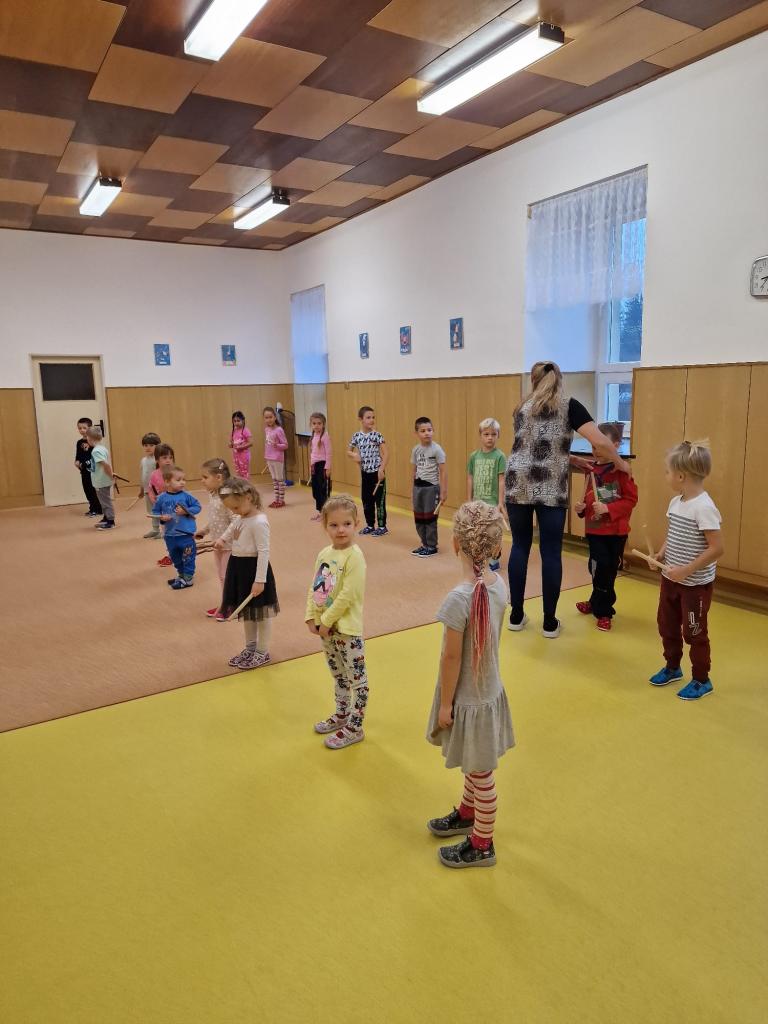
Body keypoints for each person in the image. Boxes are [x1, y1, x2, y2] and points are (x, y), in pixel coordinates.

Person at [505, 361, 631, 638]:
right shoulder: (569, 405)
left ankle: (516, 615)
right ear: (559, 380)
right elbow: (602, 442)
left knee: (520, 547)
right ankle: (549, 623)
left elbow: (531, 447)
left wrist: (570, 458)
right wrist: (621, 464)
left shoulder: (522, 407)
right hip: (550, 486)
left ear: (534, 380)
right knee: (551, 552)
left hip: (517, 483)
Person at [426, 502, 514, 869]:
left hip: (466, 696)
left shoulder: (458, 599)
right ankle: (467, 812)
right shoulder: (499, 586)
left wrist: (446, 704)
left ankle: (482, 843)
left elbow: (451, 658)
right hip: (487, 690)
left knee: (481, 773)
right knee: (473, 762)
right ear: (496, 548)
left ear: (455, 544)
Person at [648, 440, 723, 700]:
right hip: (670, 579)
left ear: (681, 476)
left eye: (667, 472)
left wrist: (687, 570)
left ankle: (702, 679)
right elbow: (674, 535)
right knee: (667, 625)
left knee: (694, 632)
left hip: (695, 586)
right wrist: (660, 554)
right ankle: (673, 667)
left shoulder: (704, 507)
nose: (666, 476)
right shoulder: (676, 502)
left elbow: (717, 548)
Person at [305, 495, 368, 750]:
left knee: (357, 680)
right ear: (325, 526)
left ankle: (355, 726)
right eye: (334, 525)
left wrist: (326, 620)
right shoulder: (325, 553)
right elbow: (316, 587)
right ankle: (342, 715)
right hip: (326, 629)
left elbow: (347, 595)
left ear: (356, 524)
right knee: (338, 675)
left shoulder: (355, 557)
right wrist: (311, 616)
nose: (341, 530)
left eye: (346, 524)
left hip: (347, 630)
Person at [574, 422, 638, 631]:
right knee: (597, 568)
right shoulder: (590, 470)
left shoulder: (622, 471)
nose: (596, 451)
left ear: (615, 445)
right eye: (593, 446)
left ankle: (603, 609)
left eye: (601, 446)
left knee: (607, 570)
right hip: (595, 531)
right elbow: (589, 499)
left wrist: (608, 509)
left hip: (616, 532)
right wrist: (582, 509)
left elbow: (631, 500)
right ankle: (599, 605)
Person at [216, 477, 279, 670]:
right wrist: (222, 539)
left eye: (236, 507)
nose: (234, 512)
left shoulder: (259, 522)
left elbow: (264, 552)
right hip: (239, 567)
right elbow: (232, 528)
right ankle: (250, 647)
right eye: (231, 509)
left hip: (254, 569)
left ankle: (262, 651)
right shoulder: (240, 517)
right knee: (248, 613)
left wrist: (260, 580)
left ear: (248, 497)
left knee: (261, 614)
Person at [196, 458, 235, 621]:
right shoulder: (213, 495)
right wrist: (204, 531)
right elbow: (215, 519)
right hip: (217, 543)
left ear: (218, 477)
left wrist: (224, 539)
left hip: (229, 545)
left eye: (205, 477)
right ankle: (225, 603)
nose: (202, 481)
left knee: (227, 576)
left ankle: (231, 605)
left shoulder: (228, 497)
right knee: (221, 575)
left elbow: (236, 521)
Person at [466, 417, 507, 570]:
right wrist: (469, 499)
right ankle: (482, 558)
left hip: (493, 502)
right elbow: (470, 478)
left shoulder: (500, 456)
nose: (490, 437)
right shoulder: (474, 456)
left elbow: (501, 480)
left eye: (493, 434)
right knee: (479, 532)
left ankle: (494, 560)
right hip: (478, 502)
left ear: (498, 435)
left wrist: (500, 502)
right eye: (486, 434)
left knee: (493, 532)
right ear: (480, 435)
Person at [151, 466, 201, 590]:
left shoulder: (187, 495)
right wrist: (162, 518)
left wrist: (186, 511)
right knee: (175, 558)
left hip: (185, 535)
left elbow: (198, 507)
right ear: (167, 482)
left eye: (184, 479)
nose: (182, 482)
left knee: (188, 557)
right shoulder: (161, 498)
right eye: (178, 480)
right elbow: (155, 512)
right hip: (170, 535)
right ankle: (181, 575)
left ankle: (188, 579)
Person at [347, 405, 388, 536]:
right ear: (360, 419)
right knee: (366, 500)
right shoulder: (356, 436)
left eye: (373, 417)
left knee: (379, 501)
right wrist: (355, 455)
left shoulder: (377, 435)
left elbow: (386, 454)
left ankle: (382, 526)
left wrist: (381, 469)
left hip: (377, 473)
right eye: (368, 417)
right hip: (365, 473)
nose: (372, 420)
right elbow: (348, 451)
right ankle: (370, 525)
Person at [411, 416, 447, 557]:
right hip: (418, 488)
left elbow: (443, 471)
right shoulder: (415, 450)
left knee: (430, 518)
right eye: (423, 431)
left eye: (429, 430)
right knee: (419, 518)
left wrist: (443, 491)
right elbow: (414, 470)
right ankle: (424, 544)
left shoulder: (437, 449)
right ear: (416, 433)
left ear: (433, 431)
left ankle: (431, 546)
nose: (427, 433)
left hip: (431, 488)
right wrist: (412, 491)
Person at [148, 443, 176, 568]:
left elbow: (182, 489)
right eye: (164, 458)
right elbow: (150, 488)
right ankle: (171, 554)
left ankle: (176, 555)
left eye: (170, 457)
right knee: (165, 533)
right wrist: (153, 499)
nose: (168, 460)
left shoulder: (176, 472)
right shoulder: (154, 474)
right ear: (157, 460)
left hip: (176, 510)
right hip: (163, 510)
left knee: (177, 532)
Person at [86, 426, 115, 530]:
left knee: (105, 501)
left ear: (89, 438)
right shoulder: (102, 448)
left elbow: (105, 465)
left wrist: (111, 475)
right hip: (101, 480)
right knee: (103, 501)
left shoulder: (96, 451)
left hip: (102, 481)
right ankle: (106, 517)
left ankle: (110, 521)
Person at [74, 417, 101, 518]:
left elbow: (94, 456)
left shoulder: (93, 442)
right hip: (83, 470)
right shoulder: (79, 442)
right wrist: (77, 461)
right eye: (79, 428)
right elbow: (78, 454)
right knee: (87, 489)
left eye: (84, 428)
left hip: (92, 470)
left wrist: (85, 464)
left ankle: (98, 509)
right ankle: (92, 508)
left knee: (93, 489)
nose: (82, 430)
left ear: (90, 428)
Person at [263, 406, 288, 508]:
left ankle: (281, 501)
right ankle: (276, 499)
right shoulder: (266, 429)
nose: (269, 419)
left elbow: (285, 445)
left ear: (275, 417)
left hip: (277, 458)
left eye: (270, 417)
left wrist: (276, 445)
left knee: (279, 479)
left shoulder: (279, 430)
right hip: (269, 457)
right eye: (266, 417)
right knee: (274, 480)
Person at [309, 412, 332, 521]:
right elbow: (313, 453)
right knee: (316, 491)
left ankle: (325, 513)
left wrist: (327, 467)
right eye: (314, 423)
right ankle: (320, 511)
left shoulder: (325, 436)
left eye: (319, 423)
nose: (316, 426)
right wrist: (311, 465)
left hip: (322, 466)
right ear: (311, 424)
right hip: (315, 466)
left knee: (322, 490)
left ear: (323, 424)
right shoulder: (313, 435)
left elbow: (329, 453)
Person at [139, 432, 161, 539]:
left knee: (160, 510)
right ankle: (155, 529)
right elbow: (142, 475)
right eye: (145, 445)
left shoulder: (158, 460)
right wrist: (141, 489)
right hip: (147, 491)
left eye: (151, 445)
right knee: (152, 511)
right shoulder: (143, 460)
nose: (148, 447)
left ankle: (165, 530)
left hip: (157, 491)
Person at [228, 410, 252, 479]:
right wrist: (230, 444)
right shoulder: (233, 431)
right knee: (238, 472)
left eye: (238, 421)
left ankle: (246, 485)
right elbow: (231, 442)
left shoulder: (245, 430)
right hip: (236, 456)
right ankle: (240, 485)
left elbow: (251, 442)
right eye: (234, 421)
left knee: (244, 472)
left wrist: (242, 447)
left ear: (243, 420)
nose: (236, 423)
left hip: (244, 455)